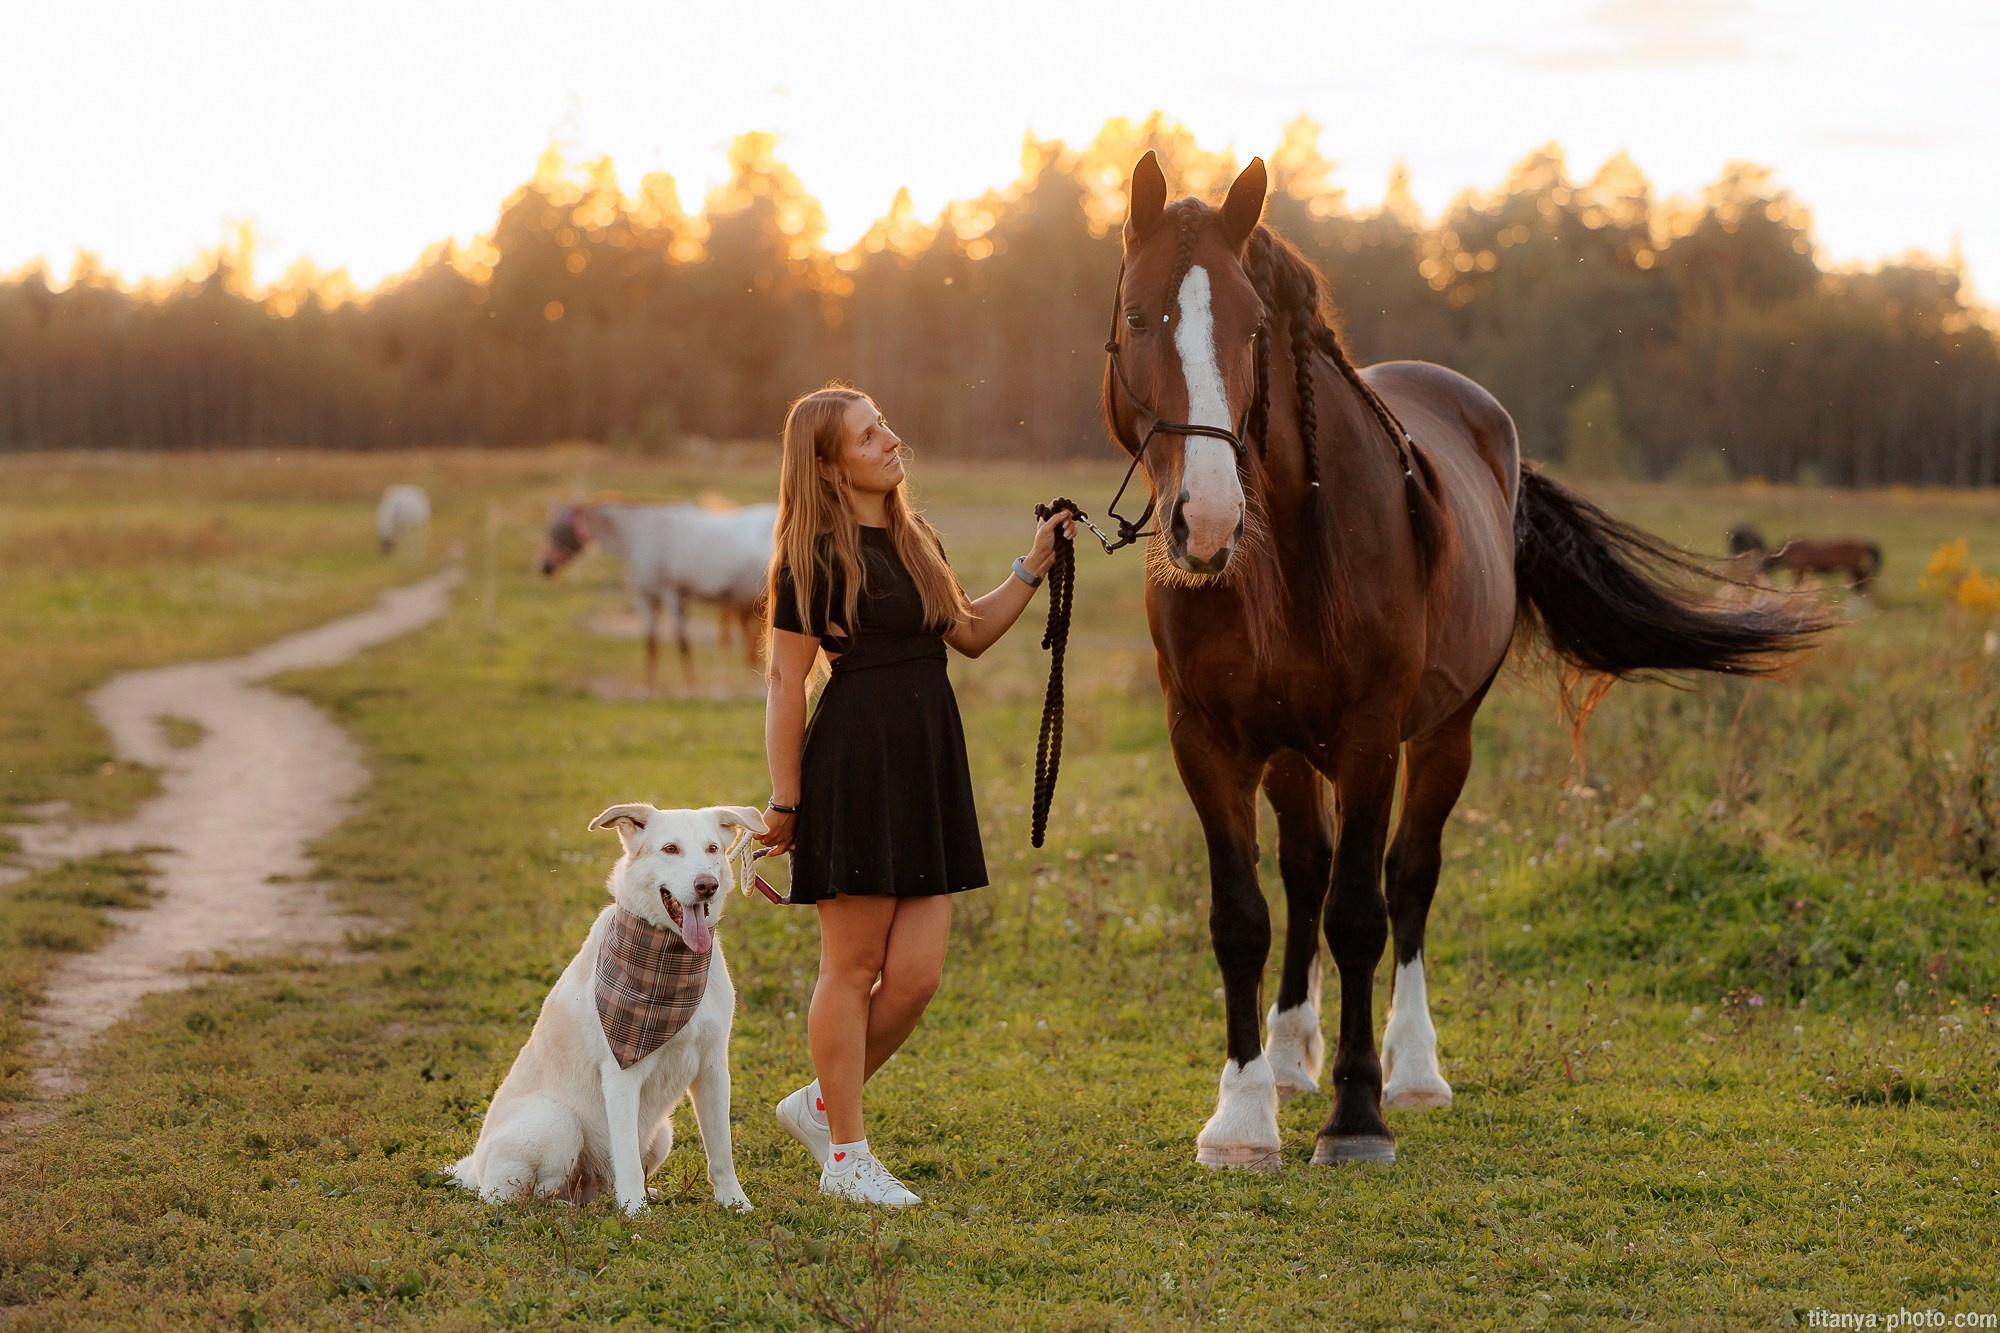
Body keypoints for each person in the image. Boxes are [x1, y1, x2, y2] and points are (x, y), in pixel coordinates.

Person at [757, 384, 1073, 1207]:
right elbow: (786, 680)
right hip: (855, 764)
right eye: (869, 436)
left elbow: (968, 632)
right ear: (830, 468)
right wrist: (786, 801)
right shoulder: (810, 558)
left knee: (917, 976)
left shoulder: (915, 535)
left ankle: (820, 1105)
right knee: (853, 966)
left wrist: (1033, 564)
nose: (892, 439)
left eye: (885, 425)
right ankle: (847, 1156)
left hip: (928, 762)